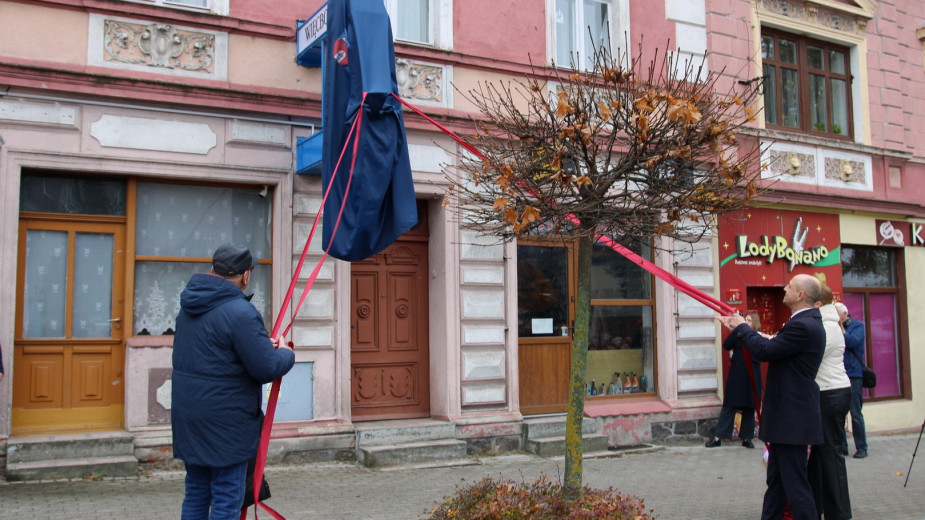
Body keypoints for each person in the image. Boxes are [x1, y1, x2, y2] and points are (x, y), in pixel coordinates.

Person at [172, 243, 295, 520]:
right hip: (226, 423)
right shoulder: (241, 312)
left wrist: (262, 345)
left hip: (190, 417)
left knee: (196, 492)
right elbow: (266, 368)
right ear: (245, 276)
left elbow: (218, 353)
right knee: (227, 497)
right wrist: (286, 353)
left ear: (213, 270)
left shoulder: (188, 307)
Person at [717, 274, 825, 520]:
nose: (784, 288)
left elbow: (766, 351)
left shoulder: (803, 325)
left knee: (796, 488)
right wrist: (739, 328)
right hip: (786, 419)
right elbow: (772, 343)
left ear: (800, 295)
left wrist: (743, 327)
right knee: (777, 485)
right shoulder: (802, 322)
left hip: (792, 419)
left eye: (789, 286)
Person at [808, 286, 852, 520]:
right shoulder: (827, 324)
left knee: (830, 455)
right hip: (828, 392)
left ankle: (839, 513)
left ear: (817, 304)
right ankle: (816, 508)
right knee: (818, 455)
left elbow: (799, 350)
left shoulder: (825, 327)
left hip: (830, 393)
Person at [706, 312, 763, 449]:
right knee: (730, 405)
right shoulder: (739, 334)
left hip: (752, 375)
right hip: (737, 374)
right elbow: (726, 345)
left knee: (750, 407)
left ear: (754, 323)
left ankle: (746, 438)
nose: (747, 322)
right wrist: (735, 331)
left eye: (749, 320)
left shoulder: (757, 336)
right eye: (746, 320)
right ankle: (718, 437)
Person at [837, 301, 868, 459]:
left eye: (838, 315)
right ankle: (843, 446)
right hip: (840, 374)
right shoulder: (836, 327)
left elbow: (853, 342)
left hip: (854, 375)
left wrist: (841, 329)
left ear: (844, 314)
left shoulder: (858, 326)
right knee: (840, 413)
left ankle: (862, 447)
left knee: (855, 413)